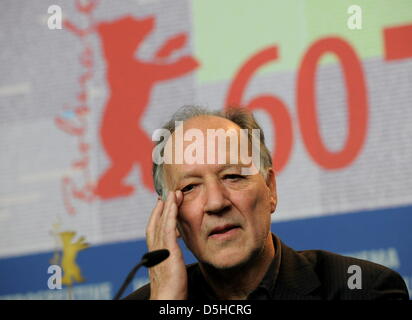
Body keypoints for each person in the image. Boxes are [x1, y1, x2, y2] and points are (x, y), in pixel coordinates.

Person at [126, 106, 409, 300]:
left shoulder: (362, 290)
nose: (215, 202)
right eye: (189, 187)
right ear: (169, 217)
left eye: (233, 176)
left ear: (270, 188)